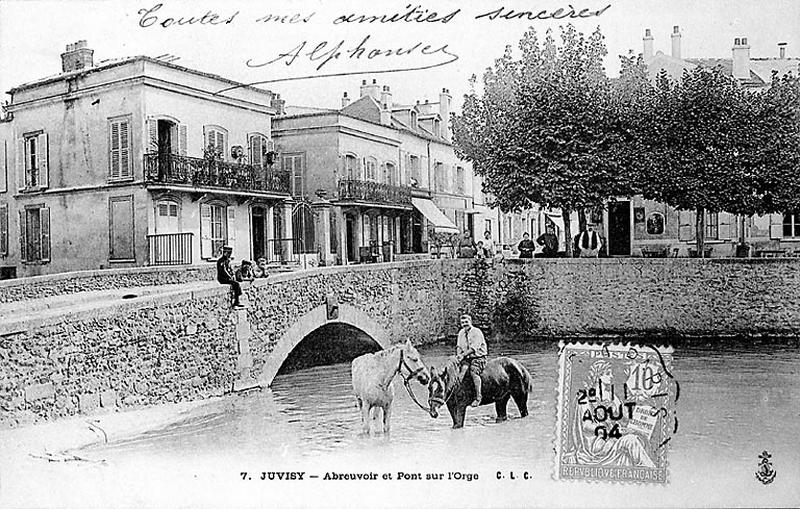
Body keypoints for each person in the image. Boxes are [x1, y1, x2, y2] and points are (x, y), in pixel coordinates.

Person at [564, 360, 656, 468]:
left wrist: (642, 406)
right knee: (631, 440)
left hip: (612, 438)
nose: (611, 376)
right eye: (607, 373)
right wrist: (611, 431)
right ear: (598, 375)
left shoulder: (611, 396)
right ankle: (651, 469)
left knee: (637, 438)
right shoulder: (585, 397)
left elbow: (625, 417)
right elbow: (586, 426)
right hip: (597, 443)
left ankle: (647, 469)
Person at [455, 314, 487, 407]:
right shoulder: (461, 332)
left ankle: (478, 397)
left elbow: (474, 348)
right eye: (462, 322)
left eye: (466, 322)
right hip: (466, 358)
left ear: (470, 322)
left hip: (478, 357)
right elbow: (459, 346)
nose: (464, 324)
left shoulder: (477, 332)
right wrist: (458, 356)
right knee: (460, 373)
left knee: (473, 372)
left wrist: (462, 355)